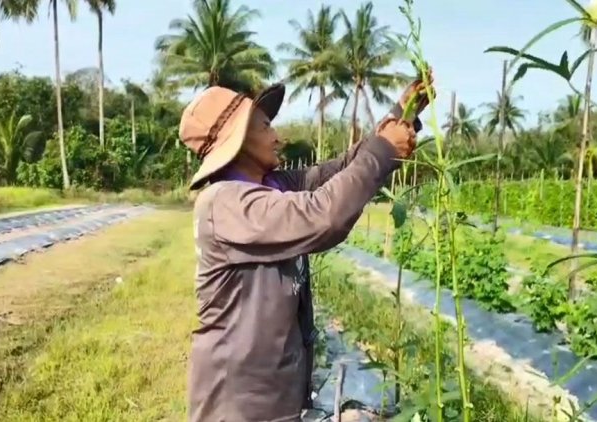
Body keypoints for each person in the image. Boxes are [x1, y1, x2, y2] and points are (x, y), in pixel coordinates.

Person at [179, 76, 433, 422]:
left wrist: (401, 114)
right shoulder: (226, 203)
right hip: (240, 403)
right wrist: (386, 150)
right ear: (236, 141)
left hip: (273, 394)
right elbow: (323, 215)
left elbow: (339, 173)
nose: (276, 136)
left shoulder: (270, 187)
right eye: (265, 126)